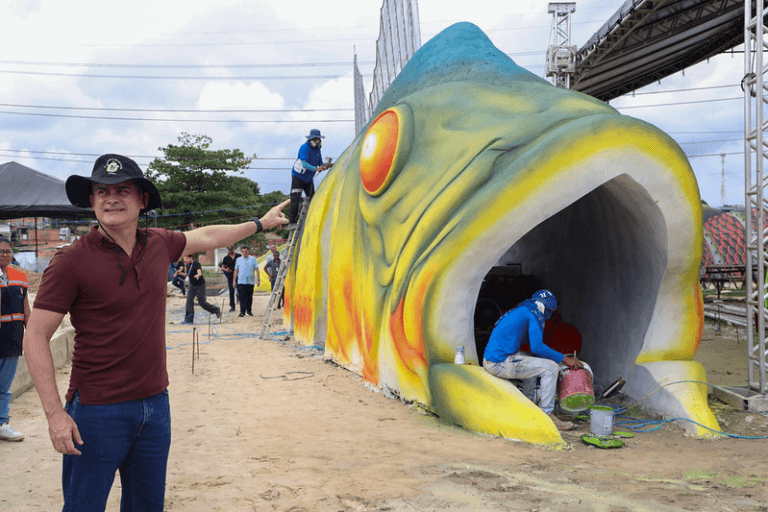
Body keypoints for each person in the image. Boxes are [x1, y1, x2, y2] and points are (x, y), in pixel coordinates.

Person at [22, 154, 290, 511]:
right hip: (97, 412)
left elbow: (208, 235)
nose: (111, 198)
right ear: (92, 201)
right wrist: (56, 415)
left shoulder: (158, 243)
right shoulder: (71, 261)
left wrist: (260, 222)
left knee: (147, 506)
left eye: (122, 190)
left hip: (154, 406)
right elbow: (35, 336)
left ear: (142, 200)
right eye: (102, 191)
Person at [482, 290, 582, 431]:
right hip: (499, 363)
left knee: (535, 362)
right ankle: (547, 416)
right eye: (551, 311)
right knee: (551, 367)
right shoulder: (534, 313)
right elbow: (537, 346)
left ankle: (526, 408)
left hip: (495, 359)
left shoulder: (525, 308)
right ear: (547, 308)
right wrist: (564, 358)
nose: (550, 315)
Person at [0, 236, 29, 442]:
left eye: (8, 251)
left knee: (4, 386)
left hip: (12, 340)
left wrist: (34, 335)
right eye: (1, 251)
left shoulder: (19, 276)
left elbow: (26, 309)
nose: (5, 254)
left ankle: (2, 423)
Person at [289, 128, 329, 227]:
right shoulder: (305, 148)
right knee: (296, 198)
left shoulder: (317, 149)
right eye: (316, 139)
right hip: (298, 176)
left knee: (313, 198)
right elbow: (305, 164)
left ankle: (313, 218)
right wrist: (316, 169)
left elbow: (320, 162)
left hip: (308, 178)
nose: (318, 141)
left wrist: (324, 166)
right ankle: (292, 222)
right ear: (311, 139)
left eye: (318, 139)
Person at [179, 253, 221, 324]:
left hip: (200, 285)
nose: (185, 260)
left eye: (186, 258)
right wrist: (180, 273)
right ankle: (189, 319)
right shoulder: (188, 265)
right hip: (192, 285)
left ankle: (216, 310)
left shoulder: (196, 264)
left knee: (202, 303)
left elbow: (200, 272)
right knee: (189, 302)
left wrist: (198, 275)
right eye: (184, 259)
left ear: (191, 258)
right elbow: (189, 274)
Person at [233, 244, 259, 317]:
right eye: (243, 251)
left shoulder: (253, 259)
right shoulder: (238, 260)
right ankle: (242, 311)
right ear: (241, 252)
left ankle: (249, 311)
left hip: (250, 282)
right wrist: (234, 281)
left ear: (248, 252)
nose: (245, 253)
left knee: (249, 297)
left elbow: (257, 269)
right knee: (242, 297)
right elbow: (236, 270)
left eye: (246, 251)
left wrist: (258, 280)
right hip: (241, 281)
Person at [219, 245, 240, 312]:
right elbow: (223, 267)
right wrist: (226, 270)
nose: (230, 251)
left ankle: (242, 305)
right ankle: (232, 306)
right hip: (230, 276)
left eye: (231, 249)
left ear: (234, 249)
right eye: (229, 250)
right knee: (231, 291)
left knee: (241, 290)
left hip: (239, 275)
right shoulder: (226, 258)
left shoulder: (239, 256)